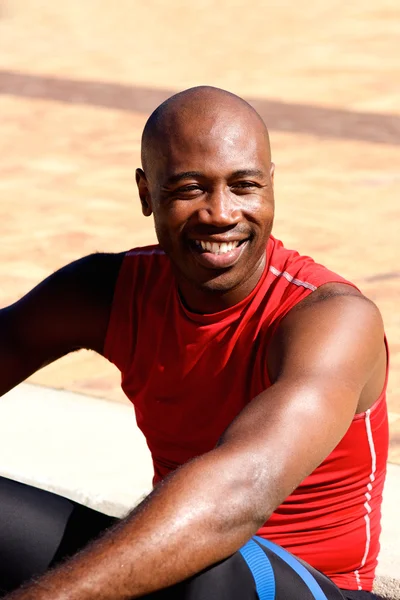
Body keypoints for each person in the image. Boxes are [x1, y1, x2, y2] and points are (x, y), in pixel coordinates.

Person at [0, 86, 388, 600]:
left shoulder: (332, 319)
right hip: (183, 562)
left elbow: (238, 497)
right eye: (190, 188)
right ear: (145, 193)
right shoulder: (108, 291)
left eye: (244, 186)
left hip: (303, 585)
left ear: (271, 185)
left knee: (204, 559)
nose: (222, 214)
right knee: (173, 551)